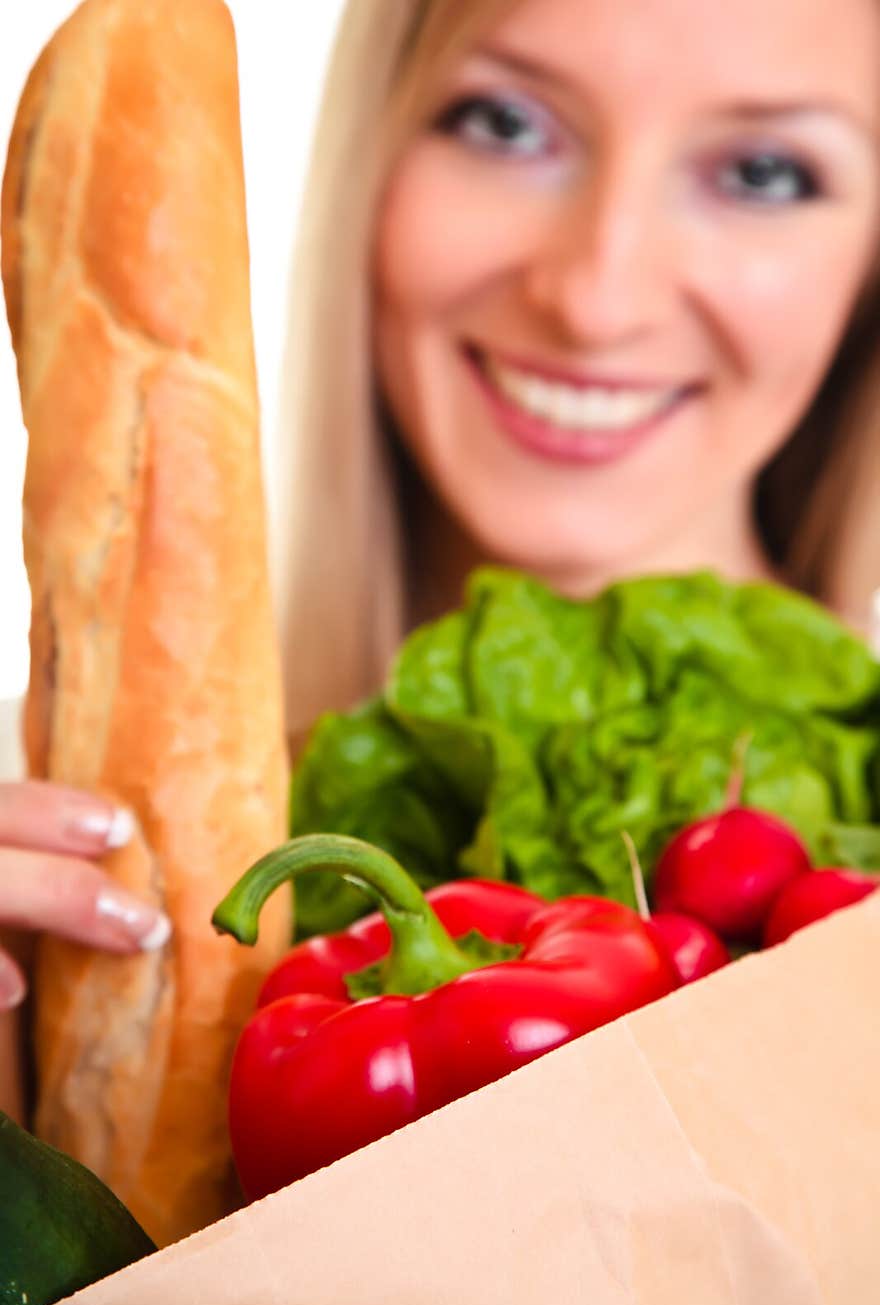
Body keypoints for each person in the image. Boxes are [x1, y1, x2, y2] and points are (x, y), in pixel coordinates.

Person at [2, 0, 880, 1033]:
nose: (595, 297)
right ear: (370, 150)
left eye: (763, 173)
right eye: (506, 123)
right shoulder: (50, 831)